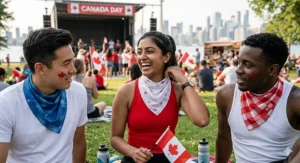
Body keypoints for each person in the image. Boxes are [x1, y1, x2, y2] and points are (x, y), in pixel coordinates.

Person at [110, 31, 210, 163]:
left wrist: (184, 80)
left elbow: (202, 120)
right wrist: (133, 152)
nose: (142, 57)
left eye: (150, 51)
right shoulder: (126, 91)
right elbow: (115, 138)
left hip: (170, 158)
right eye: (139, 52)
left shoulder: (178, 90)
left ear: (166, 57)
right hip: (135, 159)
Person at [0, 28, 87, 163]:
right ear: (41, 68)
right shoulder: (6, 103)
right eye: (66, 63)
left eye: (72, 61)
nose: (74, 70)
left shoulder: (77, 92)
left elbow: (79, 141)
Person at [215, 33, 300, 163]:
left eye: (247, 65)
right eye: (239, 62)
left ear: (272, 70)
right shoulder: (226, 95)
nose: (238, 70)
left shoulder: (294, 100)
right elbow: (224, 138)